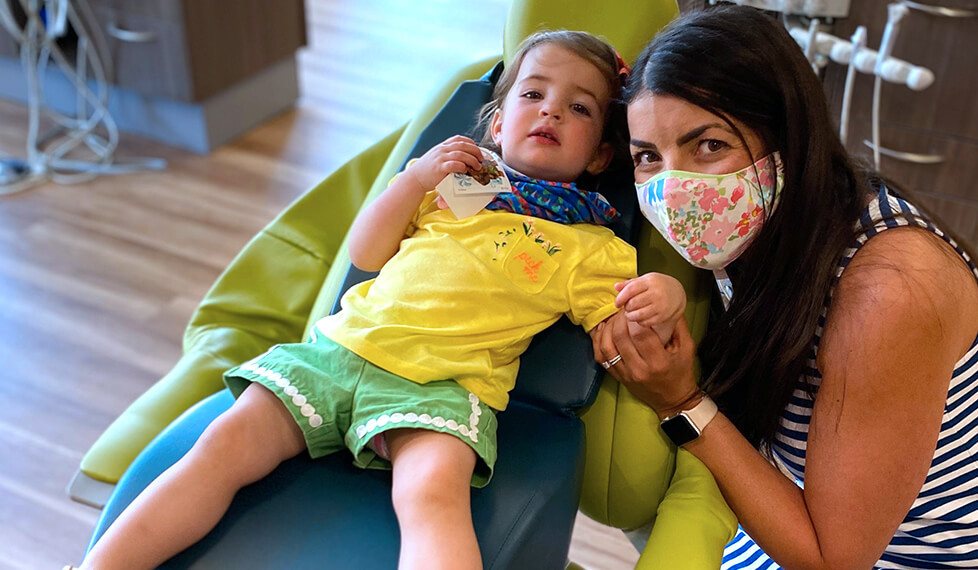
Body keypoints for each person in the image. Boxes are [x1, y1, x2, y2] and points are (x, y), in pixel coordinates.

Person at [76, 30, 686, 570]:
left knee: (430, 499)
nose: (550, 109)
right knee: (220, 448)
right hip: (338, 354)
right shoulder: (458, 186)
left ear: (602, 154)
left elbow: (619, 319)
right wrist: (413, 179)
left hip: (443, 388)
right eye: (533, 94)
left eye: (578, 107)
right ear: (496, 122)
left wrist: (663, 294)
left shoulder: (586, 242)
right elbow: (367, 253)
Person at [593, 6, 978, 569]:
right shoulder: (762, 223)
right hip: (792, 498)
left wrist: (681, 403)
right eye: (649, 156)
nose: (676, 189)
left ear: (787, 139)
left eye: (709, 146)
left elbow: (833, 559)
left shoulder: (889, 289)